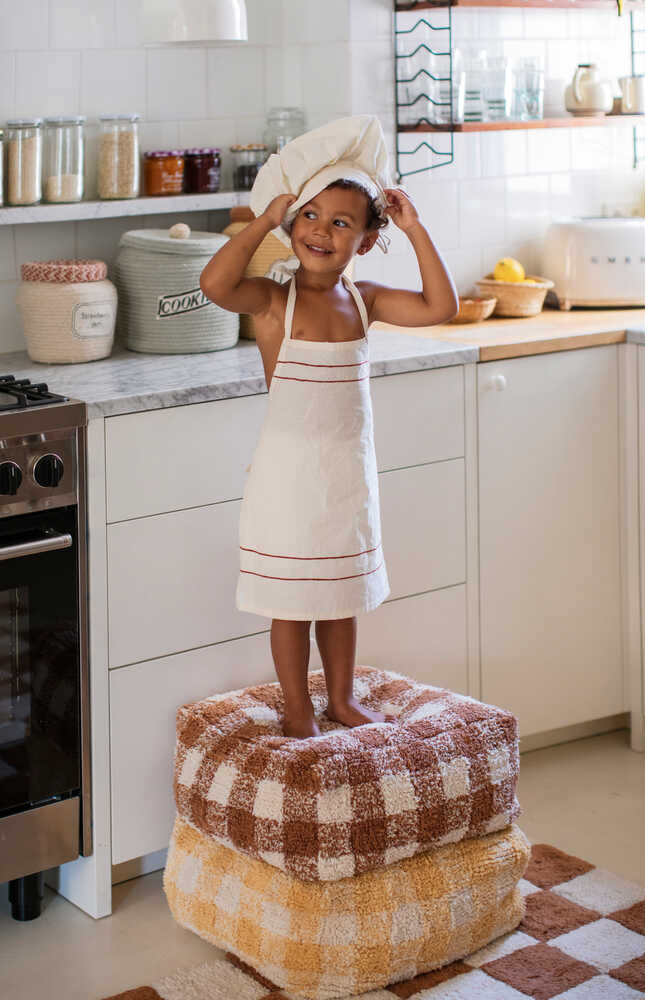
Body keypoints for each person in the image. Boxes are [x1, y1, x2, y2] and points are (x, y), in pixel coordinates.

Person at [200, 115, 458, 739]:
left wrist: (415, 229)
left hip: (346, 480)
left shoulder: (365, 301)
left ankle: (340, 699)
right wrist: (261, 221)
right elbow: (213, 283)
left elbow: (439, 306)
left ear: (366, 241)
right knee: (291, 603)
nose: (321, 231)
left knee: (340, 600)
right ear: (292, 226)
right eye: (310, 216)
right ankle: (296, 706)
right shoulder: (272, 301)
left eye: (342, 223)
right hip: (288, 483)